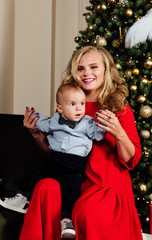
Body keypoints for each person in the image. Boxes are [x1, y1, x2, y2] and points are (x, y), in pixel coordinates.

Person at [19, 45, 143, 240]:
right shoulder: (70, 104)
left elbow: (131, 160)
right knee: (45, 186)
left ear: (106, 70)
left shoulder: (120, 108)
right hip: (72, 179)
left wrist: (118, 132)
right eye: (80, 68)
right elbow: (57, 152)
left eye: (93, 67)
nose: (87, 73)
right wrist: (36, 135)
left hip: (105, 185)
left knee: (89, 211)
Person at [0, 82, 106, 239]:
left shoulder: (87, 122)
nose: (79, 108)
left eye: (82, 104)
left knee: (72, 189)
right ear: (60, 108)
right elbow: (44, 124)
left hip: (73, 163)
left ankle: (67, 220)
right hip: (54, 159)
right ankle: (22, 198)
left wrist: (103, 123)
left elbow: (98, 134)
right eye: (73, 104)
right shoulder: (56, 120)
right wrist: (34, 115)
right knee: (33, 172)